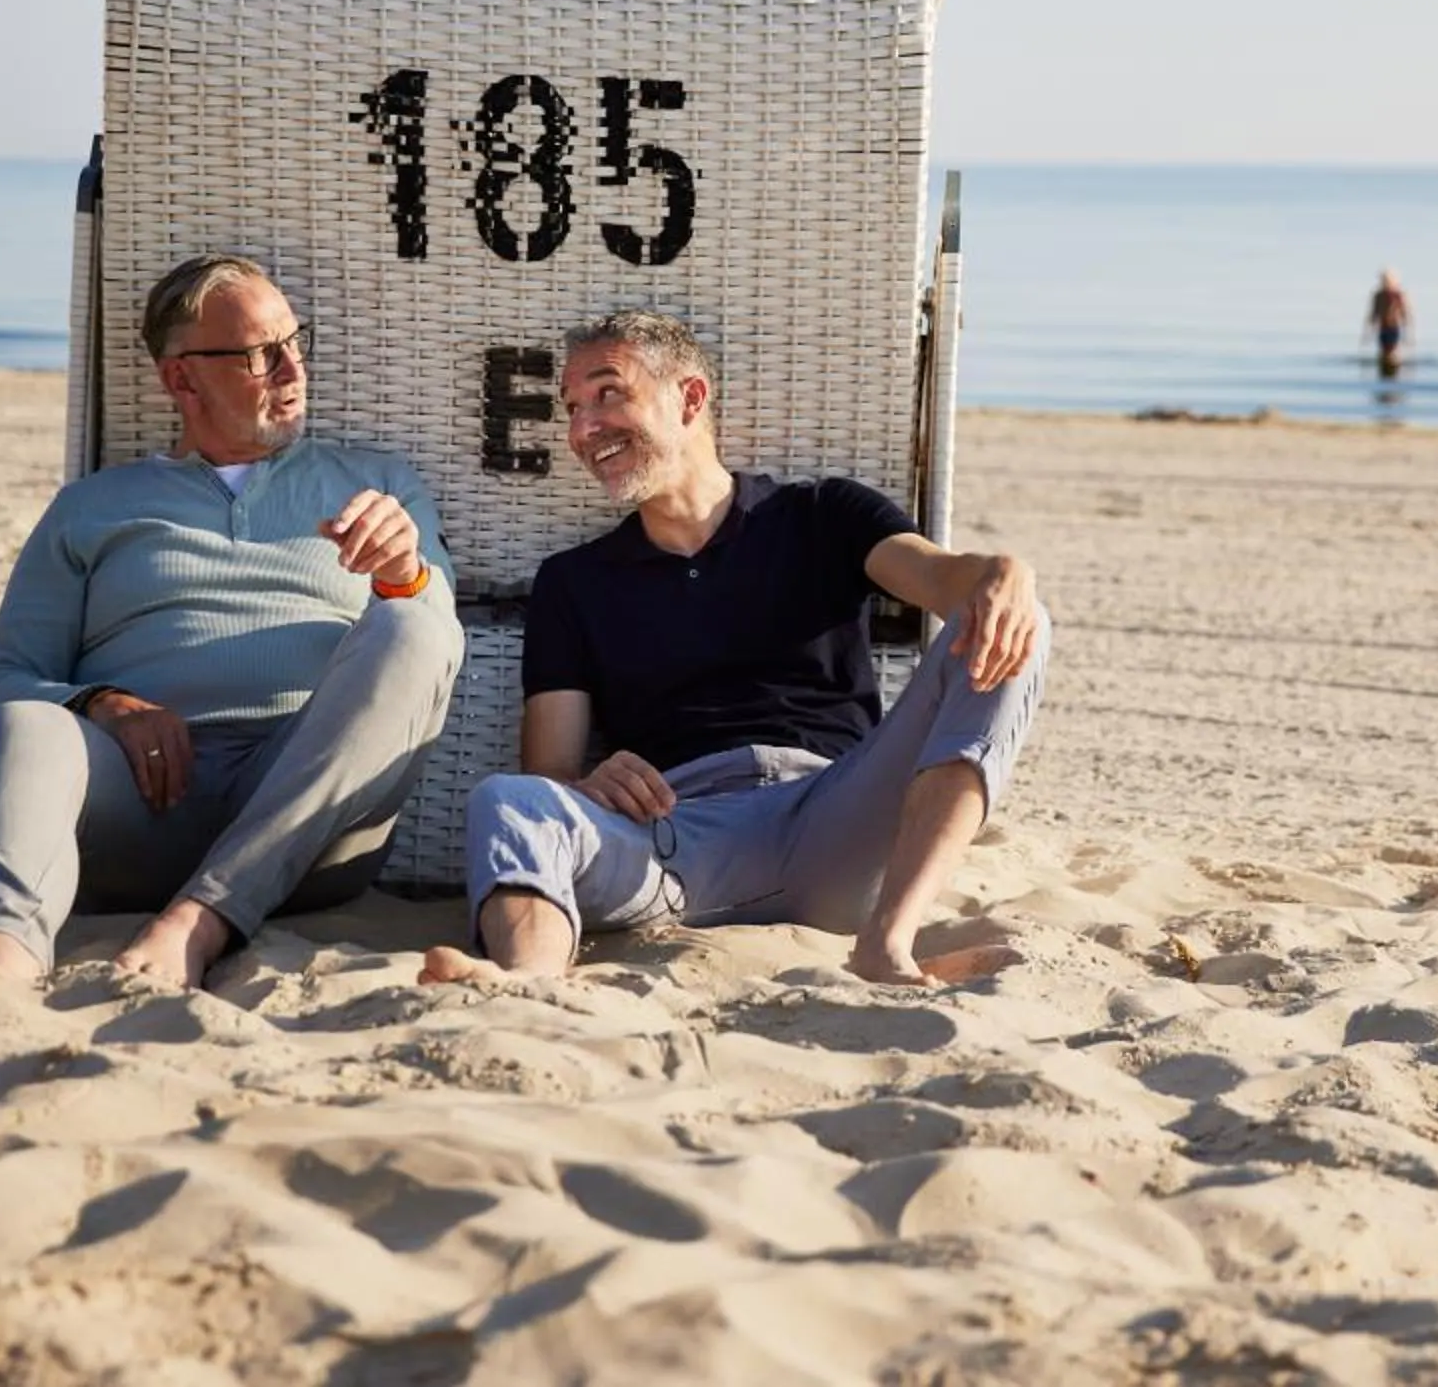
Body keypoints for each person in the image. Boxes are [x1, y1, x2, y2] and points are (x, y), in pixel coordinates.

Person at [419, 310, 1048, 990]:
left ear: (689, 398)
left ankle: (886, 941)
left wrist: (1000, 573)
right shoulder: (574, 581)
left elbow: (941, 578)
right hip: (678, 841)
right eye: (571, 408)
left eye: (608, 394)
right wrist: (588, 784)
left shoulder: (822, 516)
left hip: (840, 817)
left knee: (1010, 623)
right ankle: (527, 980)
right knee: (506, 799)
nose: (581, 429)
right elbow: (551, 772)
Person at [0, 254, 464, 989]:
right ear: (181, 378)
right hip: (140, 803)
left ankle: (203, 918)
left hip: (311, 818)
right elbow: (1, 684)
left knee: (413, 628)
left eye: (296, 342)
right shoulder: (92, 507)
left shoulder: (378, 484)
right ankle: (2, 953)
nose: (293, 370)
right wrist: (104, 705)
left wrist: (400, 576)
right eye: (261, 355)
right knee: (27, 723)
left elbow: (434, 650)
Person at [1366, 267, 1413, 377]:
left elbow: (1405, 311)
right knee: (1383, 350)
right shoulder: (1378, 296)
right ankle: (1384, 370)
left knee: (1392, 350)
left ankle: (1394, 369)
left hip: (1394, 326)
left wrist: (1408, 328)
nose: (1386, 283)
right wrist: (1369, 327)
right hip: (1383, 327)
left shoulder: (1398, 295)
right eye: (1384, 280)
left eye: (1388, 280)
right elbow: (1374, 311)